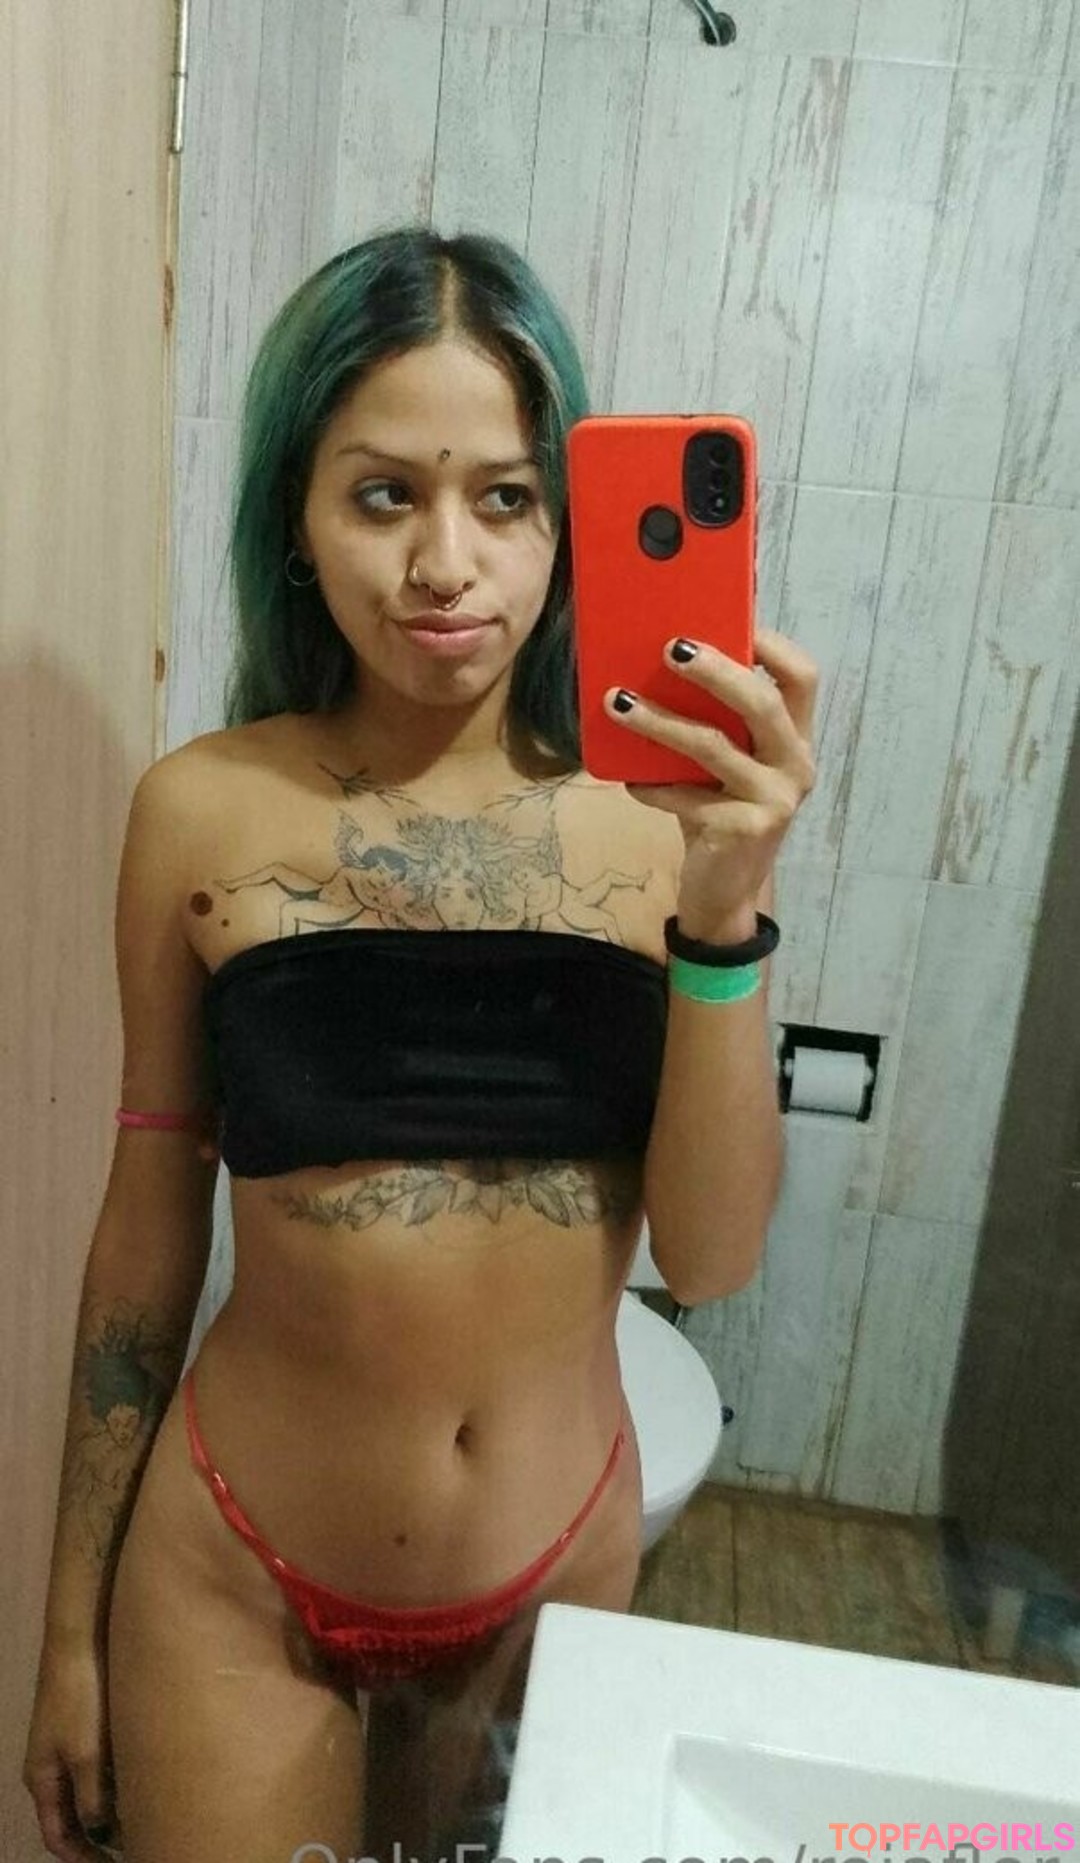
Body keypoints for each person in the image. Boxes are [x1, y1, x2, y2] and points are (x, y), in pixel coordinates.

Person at [23, 225, 818, 1863]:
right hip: (232, 1582)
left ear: (565, 526)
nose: (446, 563)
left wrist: (727, 912)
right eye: (384, 494)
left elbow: (716, 1256)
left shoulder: (663, 826)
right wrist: (70, 1632)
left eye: (504, 498)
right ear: (296, 522)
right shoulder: (199, 812)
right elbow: (146, 1236)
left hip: (553, 1578)